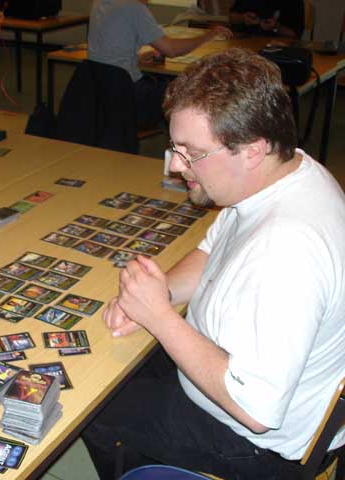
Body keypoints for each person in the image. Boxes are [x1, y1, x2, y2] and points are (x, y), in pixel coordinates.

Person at [82, 48, 345, 480]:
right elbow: (209, 253)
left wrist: (159, 316)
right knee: (110, 368)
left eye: (192, 153)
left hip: (256, 446)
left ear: (253, 150)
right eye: (175, 146)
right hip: (233, 374)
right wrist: (159, 294)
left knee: (96, 410)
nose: (175, 166)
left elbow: (256, 410)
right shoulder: (284, 172)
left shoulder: (288, 253)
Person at [88, 0, 232, 130]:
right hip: (129, 95)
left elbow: (108, 51)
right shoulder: (133, 7)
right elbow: (171, 50)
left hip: (99, 92)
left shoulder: (100, 3)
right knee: (184, 91)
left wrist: (135, 59)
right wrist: (208, 36)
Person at [229, 0, 305, 38]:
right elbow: (232, 18)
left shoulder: (294, 2)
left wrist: (276, 26)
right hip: (243, 43)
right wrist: (242, 18)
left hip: (276, 48)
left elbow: (294, 34)